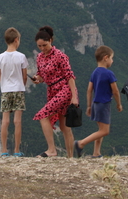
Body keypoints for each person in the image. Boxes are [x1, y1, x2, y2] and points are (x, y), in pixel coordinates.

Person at [32, 26, 79, 158]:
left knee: (43, 116)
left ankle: (52, 150)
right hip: (52, 91)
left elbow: (70, 76)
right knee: (64, 127)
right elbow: (41, 75)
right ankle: (70, 158)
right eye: (39, 46)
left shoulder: (60, 56)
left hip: (64, 90)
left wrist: (74, 97)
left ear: (51, 40)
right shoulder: (39, 57)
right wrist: (37, 79)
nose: (42, 48)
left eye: (44, 45)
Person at [74, 45, 123, 158]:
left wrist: (89, 106)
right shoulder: (109, 73)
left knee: (100, 130)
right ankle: (80, 143)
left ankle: (96, 153)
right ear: (105, 58)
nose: (112, 60)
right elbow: (115, 91)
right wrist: (119, 104)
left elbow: (89, 90)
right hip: (104, 104)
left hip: (95, 104)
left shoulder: (94, 72)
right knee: (105, 131)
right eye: (111, 58)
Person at [0, 27, 29, 157]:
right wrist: (21, 84)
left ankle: (4, 150)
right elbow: (24, 76)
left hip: (5, 90)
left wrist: (4, 84)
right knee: (17, 121)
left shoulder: (0, 57)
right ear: (16, 40)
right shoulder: (21, 57)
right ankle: (16, 150)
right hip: (18, 89)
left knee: (5, 121)